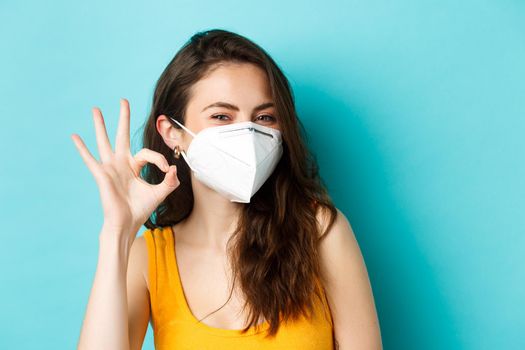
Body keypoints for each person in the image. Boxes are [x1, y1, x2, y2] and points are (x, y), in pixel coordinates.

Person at [72, 29, 382, 349]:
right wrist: (116, 233)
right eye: (222, 115)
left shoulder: (320, 231)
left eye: (264, 117)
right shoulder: (147, 258)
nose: (247, 133)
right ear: (172, 133)